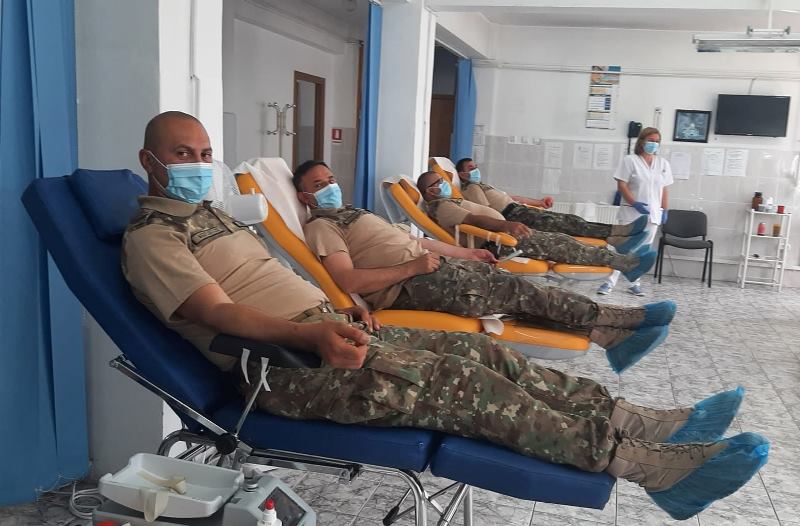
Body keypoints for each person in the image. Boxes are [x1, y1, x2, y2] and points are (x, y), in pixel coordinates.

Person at [121, 112, 767, 522]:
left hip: (332, 328)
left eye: (204, 152)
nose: (198, 165)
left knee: (487, 353)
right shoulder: (154, 237)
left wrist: (341, 310)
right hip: (284, 366)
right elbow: (218, 311)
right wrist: (314, 331)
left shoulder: (214, 218)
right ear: (150, 162)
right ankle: (646, 466)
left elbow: (283, 282)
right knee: (464, 386)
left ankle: (636, 421)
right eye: (183, 154)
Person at [296, 160, 673, 374]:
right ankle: (625, 320)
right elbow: (346, 278)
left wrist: (466, 254)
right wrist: (411, 269)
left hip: (434, 269)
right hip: (412, 285)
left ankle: (610, 337)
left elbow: (421, 242)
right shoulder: (323, 227)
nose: (330, 186)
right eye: (319, 184)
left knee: (522, 300)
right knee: (520, 292)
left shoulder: (357, 213)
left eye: (331, 179)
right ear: (305, 196)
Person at [416, 170, 657, 280]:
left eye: (443, 180)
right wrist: (506, 226)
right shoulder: (441, 206)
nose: (444, 184)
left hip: (503, 234)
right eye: (438, 182)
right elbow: (473, 220)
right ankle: (625, 264)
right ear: (429, 192)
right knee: (562, 246)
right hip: (498, 243)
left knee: (563, 239)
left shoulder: (449, 201)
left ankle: (622, 259)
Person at [453, 157, 648, 253]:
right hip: (514, 216)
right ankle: (617, 234)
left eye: (476, 166)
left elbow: (511, 197)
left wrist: (538, 202)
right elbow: (488, 213)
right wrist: (507, 227)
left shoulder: (483, 185)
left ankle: (615, 236)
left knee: (570, 220)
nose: (476, 169)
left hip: (520, 210)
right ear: (462, 175)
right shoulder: (472, 188)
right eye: (471, 168)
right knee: (569, 224)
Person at [598, 127, 673, 296]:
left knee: (642, 250)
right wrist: (634, 202)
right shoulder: (630, 160)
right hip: (631, 212)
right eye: (651, 140)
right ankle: (609, 283)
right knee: (622, 249)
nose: (654, 144)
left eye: (657, 141)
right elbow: (621, 185)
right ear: (642, 141)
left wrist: (665, 209)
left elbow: (664, 189)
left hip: (653, 214)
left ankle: (634, 283)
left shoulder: (663, 164)